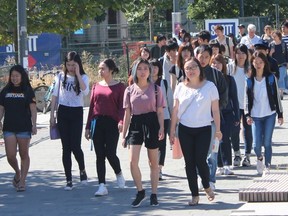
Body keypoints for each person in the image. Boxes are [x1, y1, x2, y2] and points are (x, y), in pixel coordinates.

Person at [169, 57, 222, 206]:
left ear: (200, 68)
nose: (191, 71)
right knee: (189, 163)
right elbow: (175, 110)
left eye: (193, 67)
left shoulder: (210, 86)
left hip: (204, 129)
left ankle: (206, 185)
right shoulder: (180, 87)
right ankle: (194, 195)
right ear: (184, 71)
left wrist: (218, 130)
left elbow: (216, 110)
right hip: (185, 129)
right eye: (187, 68)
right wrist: (172, 131)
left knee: (201, 160)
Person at [122, 58, 165, 207]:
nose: (142, 71)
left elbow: (160, 112)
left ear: (150, 71)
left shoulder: (156, 89)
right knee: (132, 161)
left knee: (153, 162)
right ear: (135, 71)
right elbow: (127, 114)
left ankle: (154, 194)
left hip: (152, 123)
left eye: (145, 68)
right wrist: (124, 135)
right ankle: (140, 191)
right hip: (136, 124)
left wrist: (161, 128)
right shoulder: (129, 90)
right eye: (139, 68)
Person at [85, 59, 126, 196]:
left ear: (111, 70)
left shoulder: (120, 87)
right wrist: (88, 126)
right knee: (99, 155)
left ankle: (118, 172)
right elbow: (92, 107)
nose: (100, 71)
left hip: (112, 123)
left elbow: (122, 107)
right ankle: (102, 185)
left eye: (103, 68)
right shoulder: (96, 86)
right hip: (97, 122)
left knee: (110, 153)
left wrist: (121, 121)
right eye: (99, 68)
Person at [50, 51, 90, 190]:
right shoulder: (60, 76)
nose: (71, 67)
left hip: (76, 112)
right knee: (66, 148)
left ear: (78, 64)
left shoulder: (84, 77)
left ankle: (82, 170)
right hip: (63, 112)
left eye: (74, 65)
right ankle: (68, 179)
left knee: (75, 146)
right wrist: (52, 116)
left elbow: (85, 92)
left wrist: (78, 74)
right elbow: (55, 96)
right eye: (68, 65)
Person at [245, 52, 283, 175]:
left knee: (267, 142)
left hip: (269, 114)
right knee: (256, 145)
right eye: (256, 62)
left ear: (265, 63)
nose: (258, 64)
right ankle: (259, 158)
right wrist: (247, 114)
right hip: (255, 115)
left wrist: (280, 113)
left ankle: (267, 165)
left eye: (261, 62)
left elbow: (277, 96)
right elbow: (246, 99)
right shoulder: (250, 80)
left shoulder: (271, 78)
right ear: (252, 63)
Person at [196, 45, 228, 190]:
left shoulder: (216, 75)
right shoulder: (190, 73)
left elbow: (224, 96)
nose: (202, 60)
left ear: (210, 58)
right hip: (194, 121)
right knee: (197, 152)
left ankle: (211, 180)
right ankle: (199, 176)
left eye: (206, 57)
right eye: (200, 56)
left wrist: (215, 109)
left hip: (212, 120)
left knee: (213, 152)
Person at [0, 65, 37, 192]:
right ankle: (17, 171)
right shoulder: (5, 91)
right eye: (12, 76)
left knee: (23, 154)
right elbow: (1, 108)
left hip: (24, 127)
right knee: (10, 155)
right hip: (9, 127)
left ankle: (22, 181)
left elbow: (33, 109)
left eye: (17, 76)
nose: (14, 78)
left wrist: (34, 124)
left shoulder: (27, 90)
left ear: (22, 76)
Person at [210, 54, 240, 176]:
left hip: (227, 113)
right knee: (215, 140)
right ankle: (219, 166)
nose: (216, 65)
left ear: (223, 65)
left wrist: (237, 115)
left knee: (225, 139)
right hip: (212, 113)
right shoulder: (208, 79)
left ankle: (227, 164)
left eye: (218, 63)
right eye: (213, 63)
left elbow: (235, 98)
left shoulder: (229, 79)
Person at [228, 43, 253, 167]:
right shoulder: (230, 67)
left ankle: (247, 156)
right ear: (235, 54)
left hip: (248, 105)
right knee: (234, 130)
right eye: (238, 53)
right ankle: (237, 153)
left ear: (247, 54)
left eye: (243, 53)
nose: (241, 56)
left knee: (247, 131)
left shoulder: (250, 68)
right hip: (234, 104)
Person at [150, 58, 173, 180]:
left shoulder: (164, 83)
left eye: (156, 67)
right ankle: (153, 165)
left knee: (162, 143)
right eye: (151, 67)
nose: (153, 70)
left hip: (164, 117)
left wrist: (173, 117)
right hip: (149, 116)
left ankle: (159, 168)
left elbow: (170, 101)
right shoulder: (145, 82)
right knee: (151, 143)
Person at [269, 30, 287, 99]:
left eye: (275, 36)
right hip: (274, 65)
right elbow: (269, 56)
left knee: (281, 78)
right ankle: (276, 93)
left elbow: (286, 54)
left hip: (283, 63)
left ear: (279, 36)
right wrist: (271, 53)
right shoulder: (271, 44)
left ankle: (281, 94)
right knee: (275, 79)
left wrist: (287, 62)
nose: (273, 38)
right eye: (272, 36)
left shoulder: (283, 44)